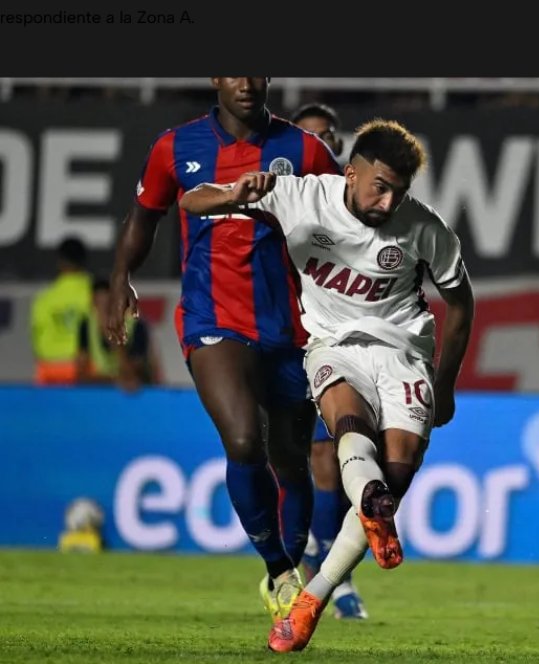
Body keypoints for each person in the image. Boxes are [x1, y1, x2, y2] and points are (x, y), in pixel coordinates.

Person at [179, 118, 475, 653]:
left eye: (399, 192)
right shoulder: (297, 195)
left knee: (395, 473)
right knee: (347, 429)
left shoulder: (424, 227)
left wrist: (446, 384)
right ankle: (324, 585)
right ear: (351, 171)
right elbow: (193, 201)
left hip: (405, 351)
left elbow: (461, 301)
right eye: (379, 187)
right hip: (332, 345)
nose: (387, 203)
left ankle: (318, 587)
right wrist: (238, 190)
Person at [105, 77, 341, 626]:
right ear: (215, 78)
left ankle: (291, 560)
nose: (245, 83)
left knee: (291, 456)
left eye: (255, 72)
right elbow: (146, 214)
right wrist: (120, 278)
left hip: (293, 327)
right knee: (241, 438)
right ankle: (280, 570)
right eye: (233, 71)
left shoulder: (305, 150)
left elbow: (348, 219)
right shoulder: (176, 146)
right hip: (213, 318)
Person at [289, 101, 368, 619]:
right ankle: (313, 556)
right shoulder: (286, 199)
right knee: (301, 461)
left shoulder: (359, 202)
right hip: (285, 337)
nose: (320, 142)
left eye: (327, 135)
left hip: (338, 343)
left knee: (336, 460)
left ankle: (332, 577)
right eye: (309, 135)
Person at [30, 236, 93, 385]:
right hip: (84, 371)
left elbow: (36, 339)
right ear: (84, 261)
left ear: (60, 262)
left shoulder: (43, 299)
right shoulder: (95, 294)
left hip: (48, 371)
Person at [76, 276, 157, 391]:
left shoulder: (136, 325)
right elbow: (82, 376)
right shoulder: (86, 325)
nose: (102, 313)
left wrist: (113, 336)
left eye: (107, 306)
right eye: (99, 305)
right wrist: (113, 381)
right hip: (101, 390)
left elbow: (132, 375)